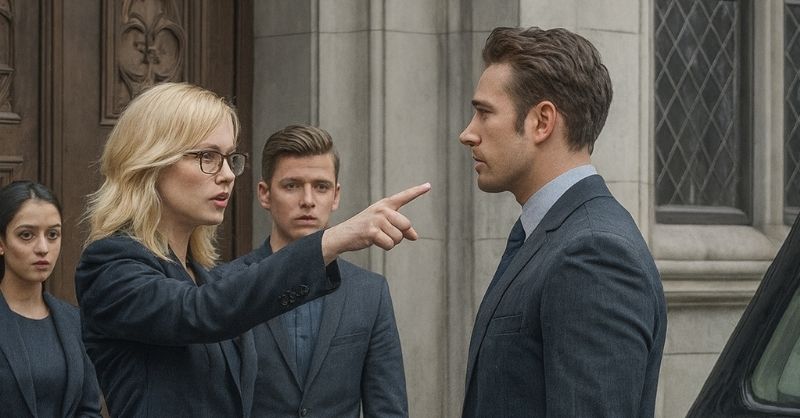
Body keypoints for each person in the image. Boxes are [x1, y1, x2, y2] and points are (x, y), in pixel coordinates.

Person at [75, 82, 429, 417]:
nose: (228, 174)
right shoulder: (110, 263)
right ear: (152, 162)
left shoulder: (202, 276)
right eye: (208, 156)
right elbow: (198, 312)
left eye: (230, 158)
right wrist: (331, 240)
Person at [459, 27, 667, 417]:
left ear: (542, 121)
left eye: (484, 113)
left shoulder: (595, 255)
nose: (467, 134)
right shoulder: (547, 235)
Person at [214, 124, 408, 417]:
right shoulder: (225, 285)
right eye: (291, 185)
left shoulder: (370, 292)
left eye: (321, 186)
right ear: (265, 194)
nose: (308, 200)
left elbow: (387, 409)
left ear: (336, 196)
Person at [0, 180, 102, 418]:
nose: (43, 248)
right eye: (26, 235)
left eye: (53, 234)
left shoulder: (74, 321)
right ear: (1, 242)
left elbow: (89, 409)